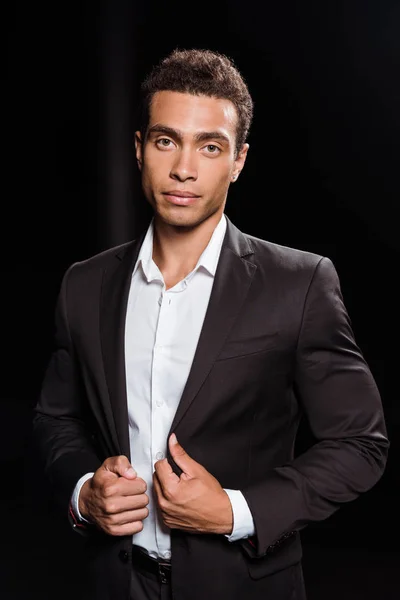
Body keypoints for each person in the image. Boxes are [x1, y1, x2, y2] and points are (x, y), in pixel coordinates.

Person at [33, 48, 389, 600]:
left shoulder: (299, 284)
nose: (184, 168)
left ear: (239, 160)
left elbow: (361, 443)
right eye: (167, 140)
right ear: (140, 148)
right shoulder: (85, 283)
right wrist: (84, 492)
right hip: (113, 582)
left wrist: (235, 510)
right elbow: (56, 418)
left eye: (210, 146)